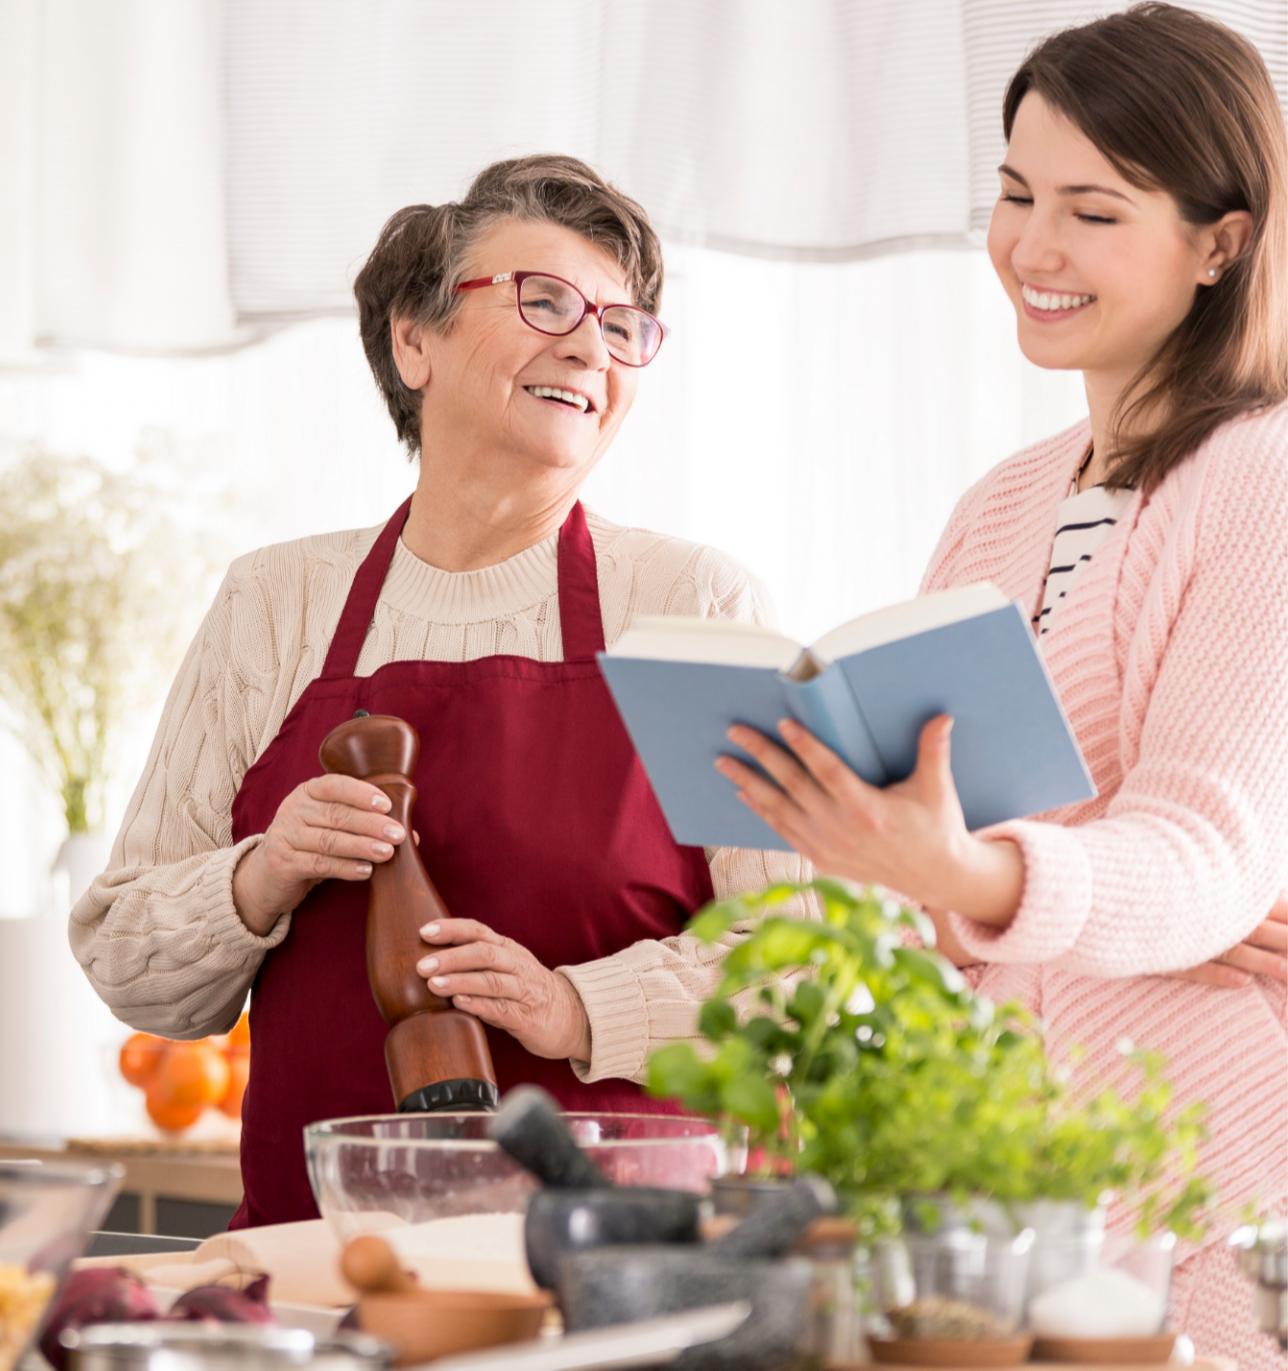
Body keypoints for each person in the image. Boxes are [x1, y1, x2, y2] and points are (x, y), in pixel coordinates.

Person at [71, 155, 808, 1227]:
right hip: (325, 1268)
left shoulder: (695, 604)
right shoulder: (277, 601)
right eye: (544, 299)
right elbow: (131, 961)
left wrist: (573, 1007)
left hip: (613, 1282)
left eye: (620, 325)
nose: (587, 345)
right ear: (413, 339)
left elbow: (811, 965)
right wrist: (264, 874)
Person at [714, 7, 1287, 1365]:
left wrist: (976, 876)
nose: (1032, 248)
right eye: (1017, 193)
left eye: (1091, 209)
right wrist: (879, 849)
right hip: (1031, 1182)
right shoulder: (1001, 505)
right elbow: (967, 881)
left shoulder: (1264, 478)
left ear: (1222, 239)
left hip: (1228, 1173)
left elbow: (1207, 850)